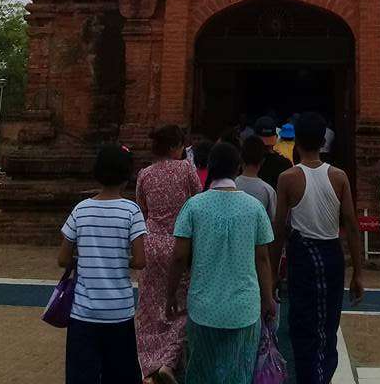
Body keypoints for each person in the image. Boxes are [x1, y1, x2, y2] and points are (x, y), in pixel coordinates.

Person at [167, 142, 274, 384]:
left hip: (203, 307)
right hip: (243, 309)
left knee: (201, 375)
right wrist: (268, 299)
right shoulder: (254, 207)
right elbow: (263, 259)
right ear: (238, 168)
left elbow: (179, 257)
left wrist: (171, 295)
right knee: (239, 375)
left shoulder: (194, 206)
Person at [271, 112, 364, 384]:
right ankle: (322, 377)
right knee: (327, 325)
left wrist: (274, 273)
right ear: (324, 141)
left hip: (302, 257)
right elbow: (352, 226)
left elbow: (278, 231)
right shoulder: (339, 177)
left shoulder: (288, 178)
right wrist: (358, 273)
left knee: (302, 326)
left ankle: (309, 378)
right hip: (332, 256)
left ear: (296, 142)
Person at [58, 143, 147, 384]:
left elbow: (63, 259)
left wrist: (86, 259)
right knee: (120, 375)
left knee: (81, 376)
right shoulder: (132, 211)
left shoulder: (81, 209)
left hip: (83, 312)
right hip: (119, 311)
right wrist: (118, 258)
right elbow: (140, 261)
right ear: (127, 176)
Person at [135, 125, 202, 384]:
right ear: (176, 147)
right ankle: (169, 361)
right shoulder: (186, 168)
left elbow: (143, 210)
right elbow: (198, 199)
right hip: (180, 244)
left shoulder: (145, 174)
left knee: (150, 309)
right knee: (180, 306)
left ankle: (149, 368)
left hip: (151, 245)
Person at [236, 136, 277, 220]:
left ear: (241, 157)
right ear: (262, 161)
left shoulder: (232, 185)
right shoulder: (268, 190)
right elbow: (272, 220)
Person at [254, 115, 292, 189]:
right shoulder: (285, 163)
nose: (267, 150)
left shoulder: (248, 162)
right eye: (265, 147)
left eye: (268, 146)